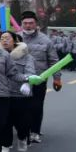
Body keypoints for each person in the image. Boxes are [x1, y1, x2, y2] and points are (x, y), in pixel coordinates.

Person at [18, 11, 60, 144]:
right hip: (20, 79)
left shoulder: (45, 40)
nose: (28, 26)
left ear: (36, 24)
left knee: (36, 106)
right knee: (21, 107)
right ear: (21, 24)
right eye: (25, 23)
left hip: (39, 79)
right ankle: (23, 132)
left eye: (31, 23)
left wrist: (57, 78)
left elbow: (54, 61)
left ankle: (35, 131)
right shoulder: (16, 38)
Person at [0, 31, 35, 152]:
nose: (4, 40)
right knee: (5, 121)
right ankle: (5, 144)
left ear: (15, 40)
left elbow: (30, 72)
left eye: (7, 38)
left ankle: (22, 138)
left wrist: (27, 83)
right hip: (2, 93)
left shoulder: (26, 56)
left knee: (22, 123)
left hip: (20, 94)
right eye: (2, 38)